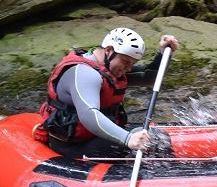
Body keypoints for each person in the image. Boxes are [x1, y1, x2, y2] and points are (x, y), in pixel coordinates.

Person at [33, 28, 181, 159]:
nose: (128, 69)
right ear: (109, 50)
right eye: (125, 61)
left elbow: (148, 77)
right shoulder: (85, 73)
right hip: (75, 147)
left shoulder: (109, 66)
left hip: (96, 137)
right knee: (155, 140)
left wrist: (163, 54)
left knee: (156, 138)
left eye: (132, 63)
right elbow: (89, 115)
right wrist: (128, 139)